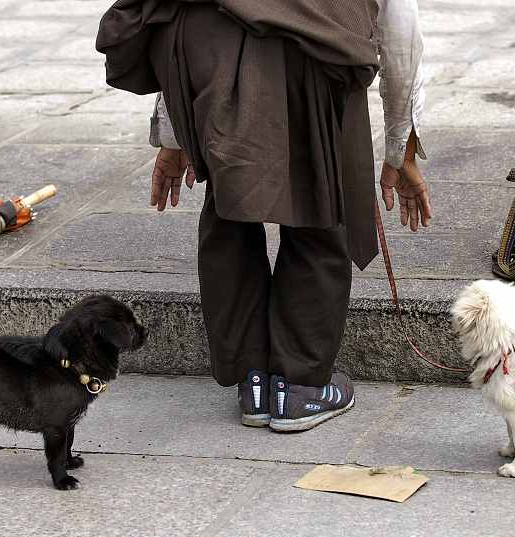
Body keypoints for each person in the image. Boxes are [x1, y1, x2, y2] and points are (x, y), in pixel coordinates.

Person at [97, 0, 431, 432]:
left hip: (204, 46)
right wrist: (400, 145)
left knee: (231, 201)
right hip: (310, 46)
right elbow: (400, 37)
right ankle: (300, 388)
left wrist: (176, 133)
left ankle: (252, 382)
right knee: (318, 204)